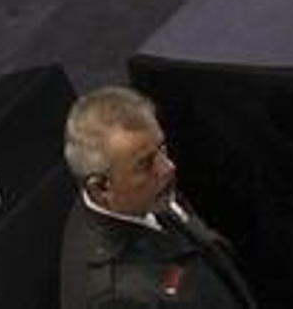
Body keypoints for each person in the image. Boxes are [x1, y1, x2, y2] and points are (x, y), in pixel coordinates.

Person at [60, 86, 256, 308]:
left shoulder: (139, 193)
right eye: (145, 164)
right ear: (101, 188)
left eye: (162, 149)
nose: (168, 167)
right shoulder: (117, 298)